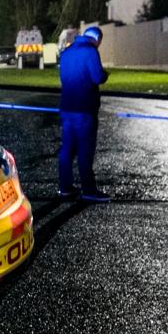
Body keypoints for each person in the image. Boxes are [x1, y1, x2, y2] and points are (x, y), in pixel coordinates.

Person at [58, 26, 110, 202]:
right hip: (84, 108)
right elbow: (97, 77)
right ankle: (88, 189)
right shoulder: (90, 51)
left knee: (67, 149)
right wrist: (104, 75)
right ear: (97, 39)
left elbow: (64, 78)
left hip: (67, 107)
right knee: (85, 150)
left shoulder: (67, 52)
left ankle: (65, 187)